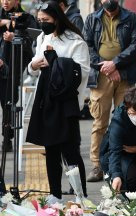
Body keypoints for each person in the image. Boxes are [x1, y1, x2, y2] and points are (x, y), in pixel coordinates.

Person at [26, 1, 89, 204]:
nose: (43, 24)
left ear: (57, 18)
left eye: (46, 20)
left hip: (66, 101)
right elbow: (33, 66)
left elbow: (82, 72)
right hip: (47, 99)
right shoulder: (43, 37)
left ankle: (80, 194)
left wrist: (55, 62)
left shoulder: (75, 41)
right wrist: (34, 65)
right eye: (40, 20)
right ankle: (55, 193)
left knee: (70, 150)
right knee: (50, 149)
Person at [83, 0, 136, 182]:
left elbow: (135, 45)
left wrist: (115, 64)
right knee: (100, 122)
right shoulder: (92, 19)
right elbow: (87, 46)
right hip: (101, 76)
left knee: (125, 120)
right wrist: (105, 67)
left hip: (125, 75)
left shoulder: (131, 18)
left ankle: (123, 164)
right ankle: (97, 165)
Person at [0, 0, 35, 152]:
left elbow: (33, 43)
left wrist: (14, 37)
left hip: (12, 67)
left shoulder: (26, 18)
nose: (5, 2)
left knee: (8, 103)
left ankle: (7, 138)